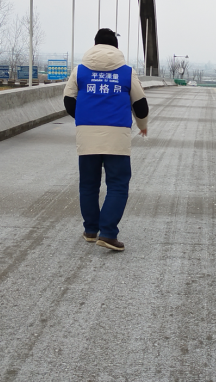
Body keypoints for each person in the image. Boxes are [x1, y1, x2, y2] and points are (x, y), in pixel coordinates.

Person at [63, 28, 149, 252]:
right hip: (117, 137)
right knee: (118, 185)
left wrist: (84, 119)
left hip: (87, 135)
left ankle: (91, 230)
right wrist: (142, 126)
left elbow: (68, 100)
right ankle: (108, 233)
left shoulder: (79, 71)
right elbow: (140, 105)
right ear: (116, 48)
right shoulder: (126, 72)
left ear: (95, 44)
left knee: (88, 184)